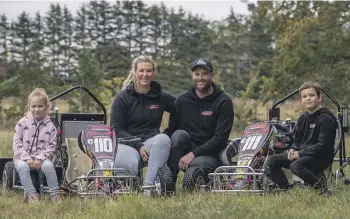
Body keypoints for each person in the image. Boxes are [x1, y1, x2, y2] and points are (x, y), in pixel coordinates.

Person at [110, 55, 176, 196]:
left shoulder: (161, 96)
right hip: (127, 144)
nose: (145, 75)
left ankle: (148, 188)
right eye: (141, 71)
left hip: (152, 142)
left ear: (153, 73)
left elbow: (183, 107)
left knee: (163, 139)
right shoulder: (122, 98)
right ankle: (130, 189)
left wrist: (170, 129)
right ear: (134, 72)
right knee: (128, 165)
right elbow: (116, 130)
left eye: (149, 71)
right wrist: (138, 145)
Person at [164, 58, 234, 187]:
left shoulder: (223, 102)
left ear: (212, 75)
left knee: (197, 164)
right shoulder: (182, 101)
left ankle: (200, 183)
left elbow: (220, 138)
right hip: (187, 151)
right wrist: (159, 141)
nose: (200, 78)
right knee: (178, 134)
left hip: (211, 155)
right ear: (192, 75)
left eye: (204, 74)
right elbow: (171, 130)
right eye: (197, 74)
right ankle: (169, 184)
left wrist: (193, 154)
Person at [264, 81, 337, 193]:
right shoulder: (303, 119)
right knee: (271, 160)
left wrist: (299, 154)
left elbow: (323, 146)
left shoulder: (325, 118)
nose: (308, 98)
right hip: (302, 156)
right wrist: (293, 149)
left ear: (319, 97)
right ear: (301, 101)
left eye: (312, 95)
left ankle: (322, 190)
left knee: (296, 166)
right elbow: (297, 140)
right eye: (304, 96)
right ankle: (286, 190)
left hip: (320, 158)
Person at [13, 88, 60, 204]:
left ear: (46, 107)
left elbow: (51, 146)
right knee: (23, 168)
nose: (37, 109)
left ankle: (55, 195)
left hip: (42, 158)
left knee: (49, 167)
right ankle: (32, 196)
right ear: (29, 107)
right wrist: (27, 159)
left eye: (40, 106)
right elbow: (17, 144)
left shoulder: (50, 126)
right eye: (33, 106)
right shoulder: (22, 123)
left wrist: (39, 158)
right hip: (22, 157)